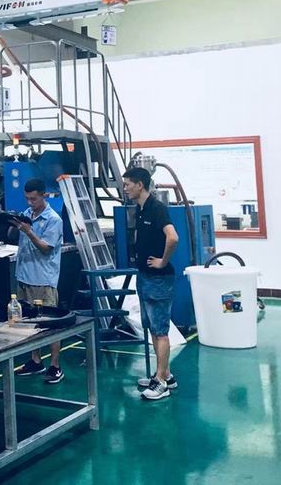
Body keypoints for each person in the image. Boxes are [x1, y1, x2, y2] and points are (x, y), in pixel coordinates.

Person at [122, 167, 180, 401]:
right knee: (153, 330)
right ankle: (165, 374)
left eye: (127, 184)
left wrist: (162, 261)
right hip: (145, 277)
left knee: (160, 332)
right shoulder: (140, 209)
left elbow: (173, 237)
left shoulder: (157, 208)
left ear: (140, 185)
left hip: (159, 279)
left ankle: (161, 383)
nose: (125, 189)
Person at [10, 179, 65, 384]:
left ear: (44, 195)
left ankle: (55, 365)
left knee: (49, 324)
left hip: (43, 280)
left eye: (33, 199)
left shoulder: (53, 220)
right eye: (27, 199)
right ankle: (35, 360)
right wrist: (13, 224)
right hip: (24, 276)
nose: (30, 203)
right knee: (29, 322)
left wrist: (28, 231)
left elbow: (45, 248)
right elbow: (13, 237)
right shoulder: (27, 214)